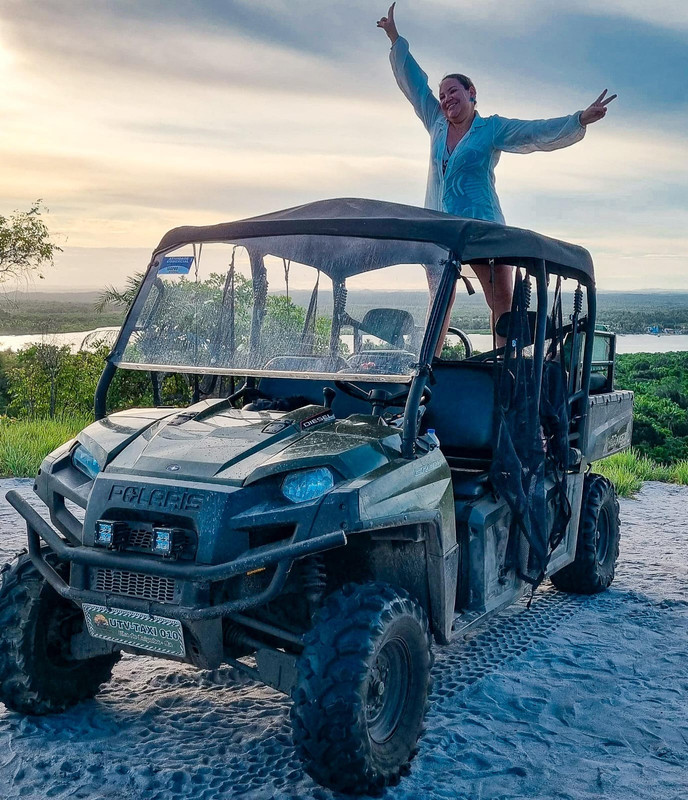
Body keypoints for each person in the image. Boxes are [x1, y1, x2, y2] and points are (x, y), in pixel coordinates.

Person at [376, 3, 616, 343]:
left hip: (483, 227)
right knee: (440, 302)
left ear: (472, 94)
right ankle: (429, 375)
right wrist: (394, 38)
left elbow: (533, 131)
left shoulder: (490, 129)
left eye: (453, 92)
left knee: (502, 304)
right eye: (442, 95)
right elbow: (415, 86)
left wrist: (578, 119)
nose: (445, 99)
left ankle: (503, 373)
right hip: (440, 229)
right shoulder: (437, 123)